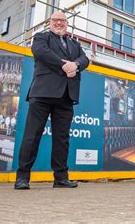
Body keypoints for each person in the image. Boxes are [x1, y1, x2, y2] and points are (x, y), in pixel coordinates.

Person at [14, 11, 90, 190]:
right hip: (42, 94)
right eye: (56, 20)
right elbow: (41, 53)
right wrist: (65, 65)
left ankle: (61, 178)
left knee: (62, 139)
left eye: (63, 21)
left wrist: (76, 65)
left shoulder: (75, 44)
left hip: (66, 96)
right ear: (50, 22)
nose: (59, 23)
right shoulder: (41, 38)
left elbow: (85, 59)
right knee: (32, 136)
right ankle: (22, 178)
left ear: (67, 23)